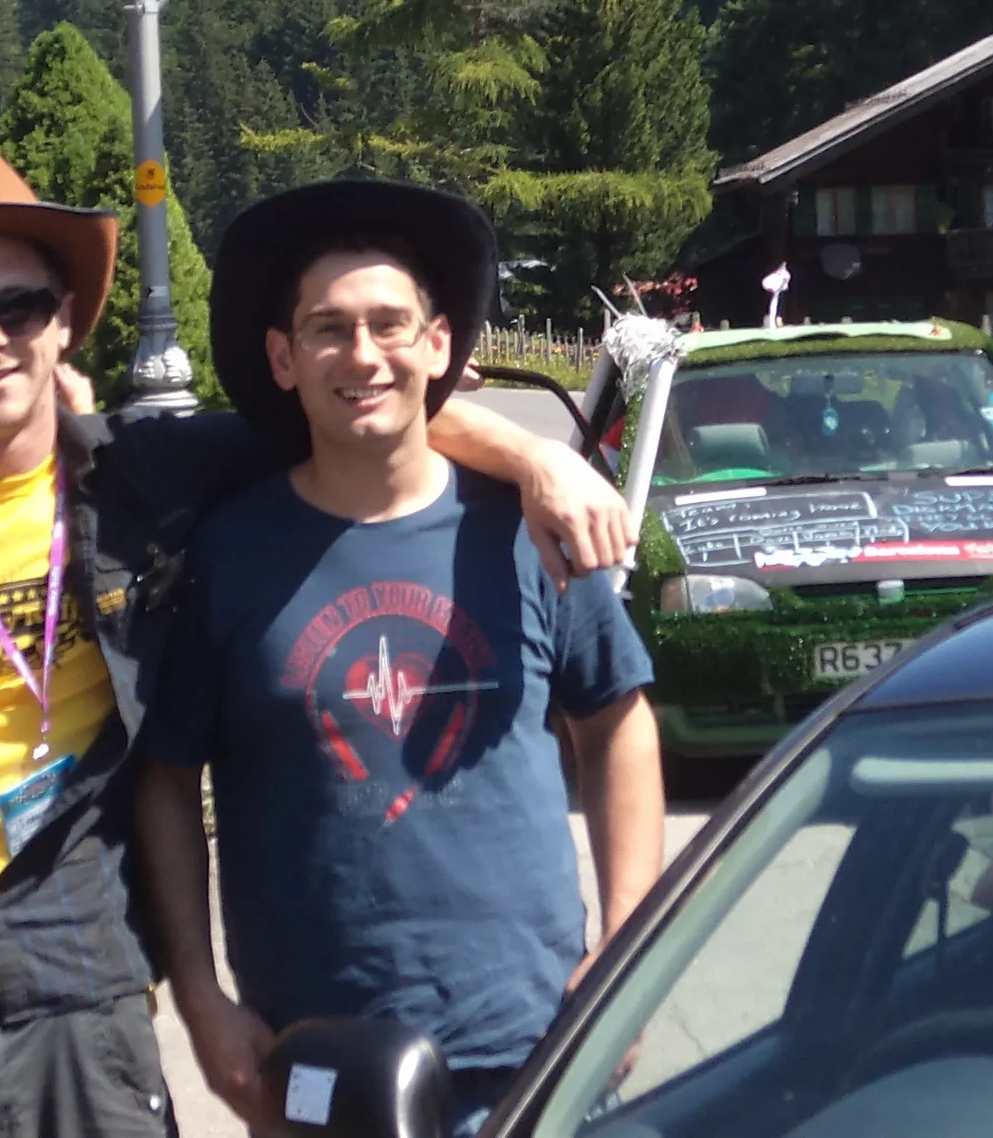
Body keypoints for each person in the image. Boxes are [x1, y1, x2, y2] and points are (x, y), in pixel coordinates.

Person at [0, 149, 633, 1138]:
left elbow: (369, 405)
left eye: (20, 305)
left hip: (77, 1002)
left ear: (63, 320)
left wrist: (539, 458)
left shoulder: (146, 483)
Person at [135, 180, 666, 1136]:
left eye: (390, 323)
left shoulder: (525, 532)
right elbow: (167, 778)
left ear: (438, 343)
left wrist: (629, 937)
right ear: (282, 358)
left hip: (534, 1044)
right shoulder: (224, 553)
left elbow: (619, 718)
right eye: (329, 329)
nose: (362, 354)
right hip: (312, 1064)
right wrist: (200, 996)